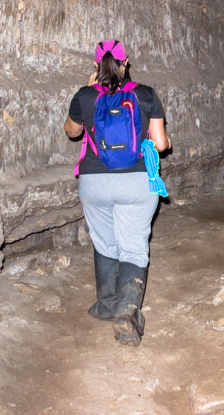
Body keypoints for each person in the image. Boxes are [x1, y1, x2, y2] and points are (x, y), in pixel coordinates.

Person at [63, 39, 170, 346]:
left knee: (105, 240)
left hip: (95, 182)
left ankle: (107, 304)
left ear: (96, 66)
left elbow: (73, 132)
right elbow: (161, 145)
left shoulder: (85, 96)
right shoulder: (145, 94)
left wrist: (87, 91)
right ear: (127, 63)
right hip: (136, 182)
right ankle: (127, 311)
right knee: (133, 246)